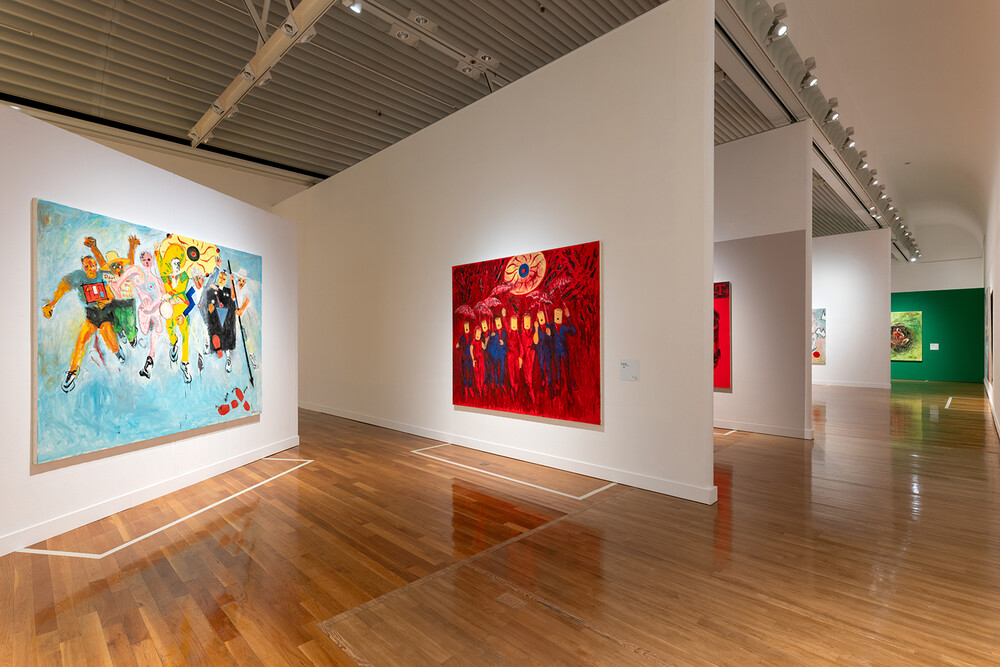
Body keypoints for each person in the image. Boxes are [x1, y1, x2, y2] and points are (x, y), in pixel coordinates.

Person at [41, 252, 126, 392]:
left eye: (93, 265)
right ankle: (72, 371)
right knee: (81, 340)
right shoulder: (79, 277)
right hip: (91, 315)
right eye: (87, 266)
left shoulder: (102, 274)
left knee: (107, 333)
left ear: (96, 265)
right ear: (83, 267)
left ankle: (117, 351)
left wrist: (105, 300)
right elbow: (63, 286)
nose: (91, 268)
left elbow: (112, 293)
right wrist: (52, 304)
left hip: (105, 312)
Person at [84, 235, 140, 348]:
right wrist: (94, 247)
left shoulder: (127, 271)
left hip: (129, 302)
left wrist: (132, 246)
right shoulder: (109, 276)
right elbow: (101, 261)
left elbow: (131, 260)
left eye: (119, 265)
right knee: (117, 323)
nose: (118, 268)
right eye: (114, 266)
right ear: (110, 269)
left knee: (130, 323)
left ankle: (132, 337)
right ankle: (120, 332)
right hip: (115, 303)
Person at [119, 250, 166, 379]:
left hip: (155, 310)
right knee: (145, 332)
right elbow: (130, 273)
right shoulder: (139, 275)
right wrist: (118, 285)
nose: (146, 262)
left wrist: (159, 301)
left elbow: (162, 294)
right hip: (144, 311)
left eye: (148, 259)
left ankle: (150, 358)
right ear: (141, 261)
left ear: (152, 260)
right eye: (144, 260)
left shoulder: (156, 279)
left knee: (158, 330)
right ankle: (132, 334)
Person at [156, 243, 192, 382]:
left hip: (181, 308)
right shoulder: (165, 277)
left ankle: (185, 363)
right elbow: (160, 265)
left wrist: (168, 294)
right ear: (170, 264)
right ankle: (174, 342)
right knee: (169, 329)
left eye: (178, 263)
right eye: (173, 263)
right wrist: (157, 251)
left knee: (185, 335)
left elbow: (181, 289)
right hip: (170, 309)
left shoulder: (184, 276)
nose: (176, 265)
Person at [552, 306, 577, 390]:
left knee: (568, 368)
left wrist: (569, 316)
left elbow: (573, 331)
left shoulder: (563, 327)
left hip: (564, 351)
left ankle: (571, 383)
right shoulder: (551, 327)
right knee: (557, 369)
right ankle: (558, 383)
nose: (558, 324)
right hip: (556, 351)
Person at [455, 321, 475, 399]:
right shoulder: (462, 337)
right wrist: (457, 346)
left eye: (467, 327)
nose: (466, 328)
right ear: (464, 328)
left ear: (469, 327)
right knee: (464, 374)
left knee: (470, 373)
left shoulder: (471, 336)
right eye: (465, 327)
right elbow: (459, 347)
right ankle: (466, 389)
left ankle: (470, 388)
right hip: (464, 358)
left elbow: (474, 346)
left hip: (470, 358)